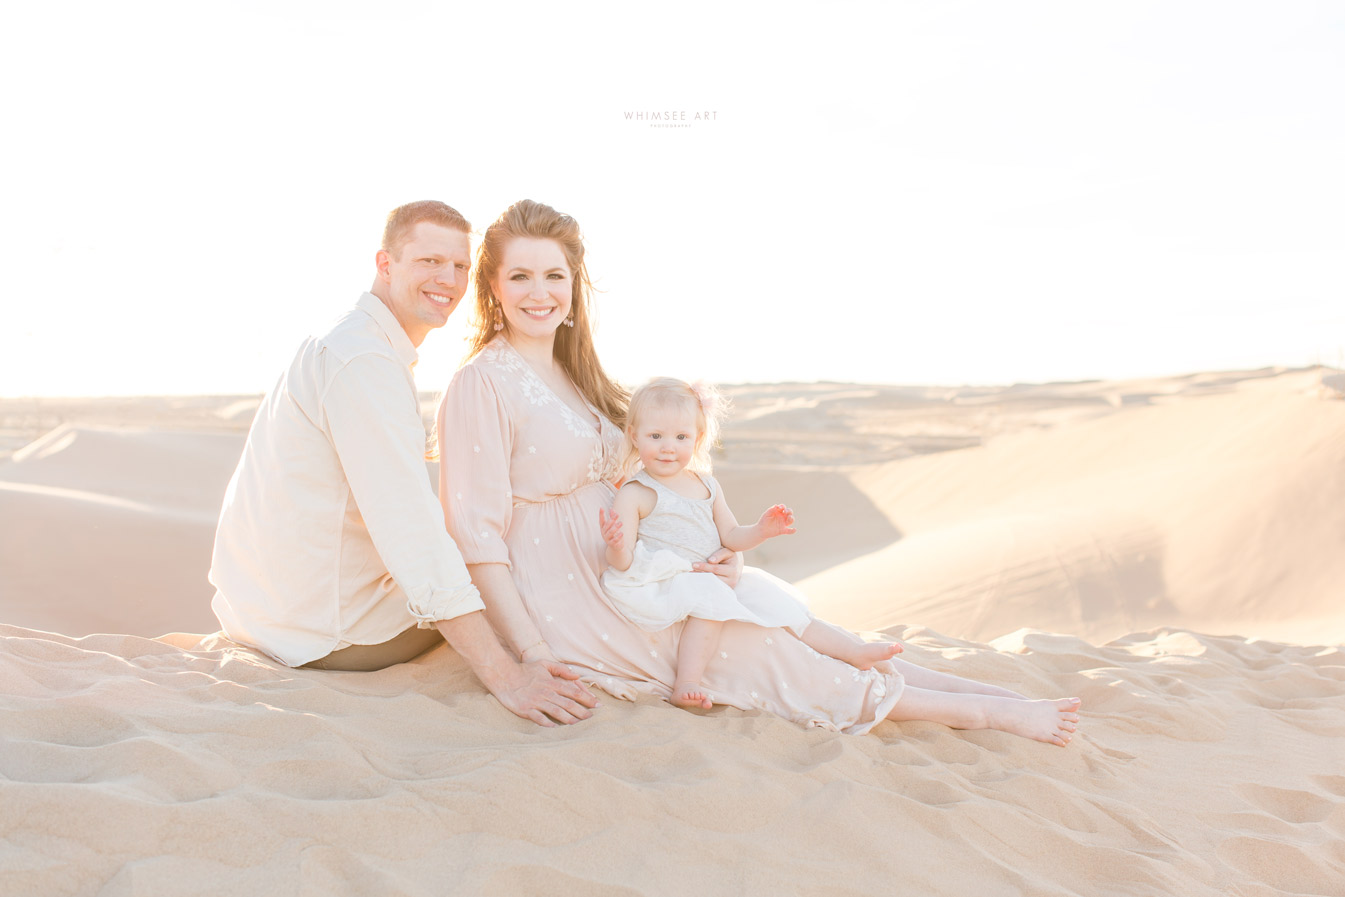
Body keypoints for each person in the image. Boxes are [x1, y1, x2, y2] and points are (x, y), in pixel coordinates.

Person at [438, 198, 1080, 743]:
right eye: (519, 276)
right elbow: (476, 536)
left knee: (771, 621)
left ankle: (987, 694)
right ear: (492, 287)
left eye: (553, 275)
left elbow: (654, 488)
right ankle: (992, 714)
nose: (539, 293)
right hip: (558, 598)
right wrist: (533, 654)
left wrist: (719, 551)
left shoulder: (578, 375)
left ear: (574, 284)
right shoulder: (479, 383)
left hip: (634, 572)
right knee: (755, 651)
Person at [209, 200, 597, 728]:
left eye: (460, 266)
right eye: (429, 262)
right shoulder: (364, 362)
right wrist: (508, 675)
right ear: (385, 264)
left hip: (268, 611)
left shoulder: (352, 341)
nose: (449, 279)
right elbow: (414, 536)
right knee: (518, 565)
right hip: (334, 631)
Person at [599, 377, 902, 710]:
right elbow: (623, 562)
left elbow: (731, 537)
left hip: (713, 577)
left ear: (698, 438)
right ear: (634, 435)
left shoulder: (707, 485)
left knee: (785, 609)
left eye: (681, 437)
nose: (668, 447)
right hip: (666, 579)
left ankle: (854, 652)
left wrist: (761, 530)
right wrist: (615, 544)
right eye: (656, 436)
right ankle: (687, 682)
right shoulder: (635, 492)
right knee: (708, 605)